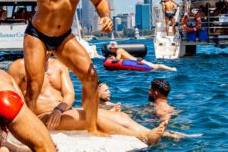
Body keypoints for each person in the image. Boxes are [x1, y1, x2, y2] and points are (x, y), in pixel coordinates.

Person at [0, 0, 113, 134]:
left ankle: (92, 130)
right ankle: (27, 133)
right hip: (38, 34)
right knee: (34, 85)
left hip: (64, 37)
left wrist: (106, 16)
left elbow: (100, 0)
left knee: (91, 76)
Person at [9, 55, 167, 144]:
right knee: (89, 116)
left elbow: (69, 95)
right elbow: (12, 97)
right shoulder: (19, 66)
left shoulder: (58, 65)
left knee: (120, 116)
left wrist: (59, 109)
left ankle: (153, 132)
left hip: (62, 112)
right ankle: (143, 137)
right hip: (42, 117)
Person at [106, 41, 177, 72]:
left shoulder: (118, 50)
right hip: (137, 60)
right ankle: (170, 69)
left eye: (111, 48)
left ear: (113, 48)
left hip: (137, 61)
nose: (110, 49)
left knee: (156, 66)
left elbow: (117, 59)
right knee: (155, 67)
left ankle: (171, 69)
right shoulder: (119, 50)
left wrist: (113, 58)